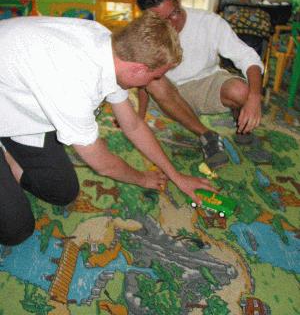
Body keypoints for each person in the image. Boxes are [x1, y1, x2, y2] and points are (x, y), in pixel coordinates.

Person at [0, 12, 215, 247]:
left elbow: (132, 124)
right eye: (156, 76)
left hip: (15, 103)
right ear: (138, 69)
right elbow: (103, 164)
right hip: (14, 98)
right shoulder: (74, 83)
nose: (152, 83)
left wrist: (176, 176)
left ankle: (9, 153)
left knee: (62, 192)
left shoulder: (110, 48)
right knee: (16, 230)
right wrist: (142, 178)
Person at [136, 0, 264, 168]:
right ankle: (207, 136)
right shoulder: (145, 32)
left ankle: (242, 125)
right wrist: (140, 117)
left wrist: (255, 97)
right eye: (160, 20)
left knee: (242, 91)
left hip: (207, 82)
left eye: (174, 14)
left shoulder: (209, 22)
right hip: (168, 95)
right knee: (152, 80)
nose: (171, 24)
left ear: (179, 1)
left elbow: (248, 57)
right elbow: (140, 79)